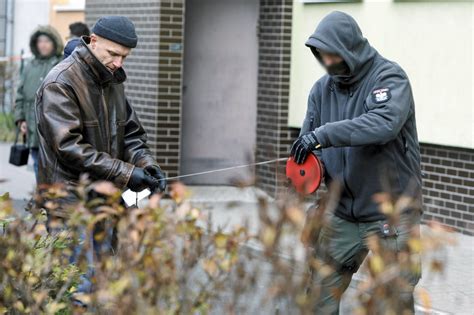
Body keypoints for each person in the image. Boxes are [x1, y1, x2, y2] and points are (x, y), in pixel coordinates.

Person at [290, 11, 422, 314]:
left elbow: (382, 124)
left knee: (393, 299)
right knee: (318, 295)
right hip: (342, 214)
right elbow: (311, 145)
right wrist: (307, 171)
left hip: (389, 213)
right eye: (321, 57)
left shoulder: (389, 78)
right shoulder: (321, 90)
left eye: (333, 56)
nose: (328, 63)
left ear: (349, 48)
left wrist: (324, 135)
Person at [35, 16, 166, 301]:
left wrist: (147, 165)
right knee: (78, 290)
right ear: (93, 41)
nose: (119, 63)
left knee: (103, 285)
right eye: (114, 54)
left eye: (125, 57)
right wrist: (126, 173)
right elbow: (68, 146)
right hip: (70, 205)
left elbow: (132, 134)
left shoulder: (113, 80)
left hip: (105, 202)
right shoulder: (61, 82)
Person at [13, 26, 63, 182]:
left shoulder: (61, 64)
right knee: (37, 164)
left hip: (54, 126)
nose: (43, 44)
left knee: (54, 168)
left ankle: (53, 202)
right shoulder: (30, 65)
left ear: (54, 43)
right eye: (40, 41)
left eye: (47, 40)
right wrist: (20, 119)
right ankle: (41, 200)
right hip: (32, 126)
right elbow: (20, 94)